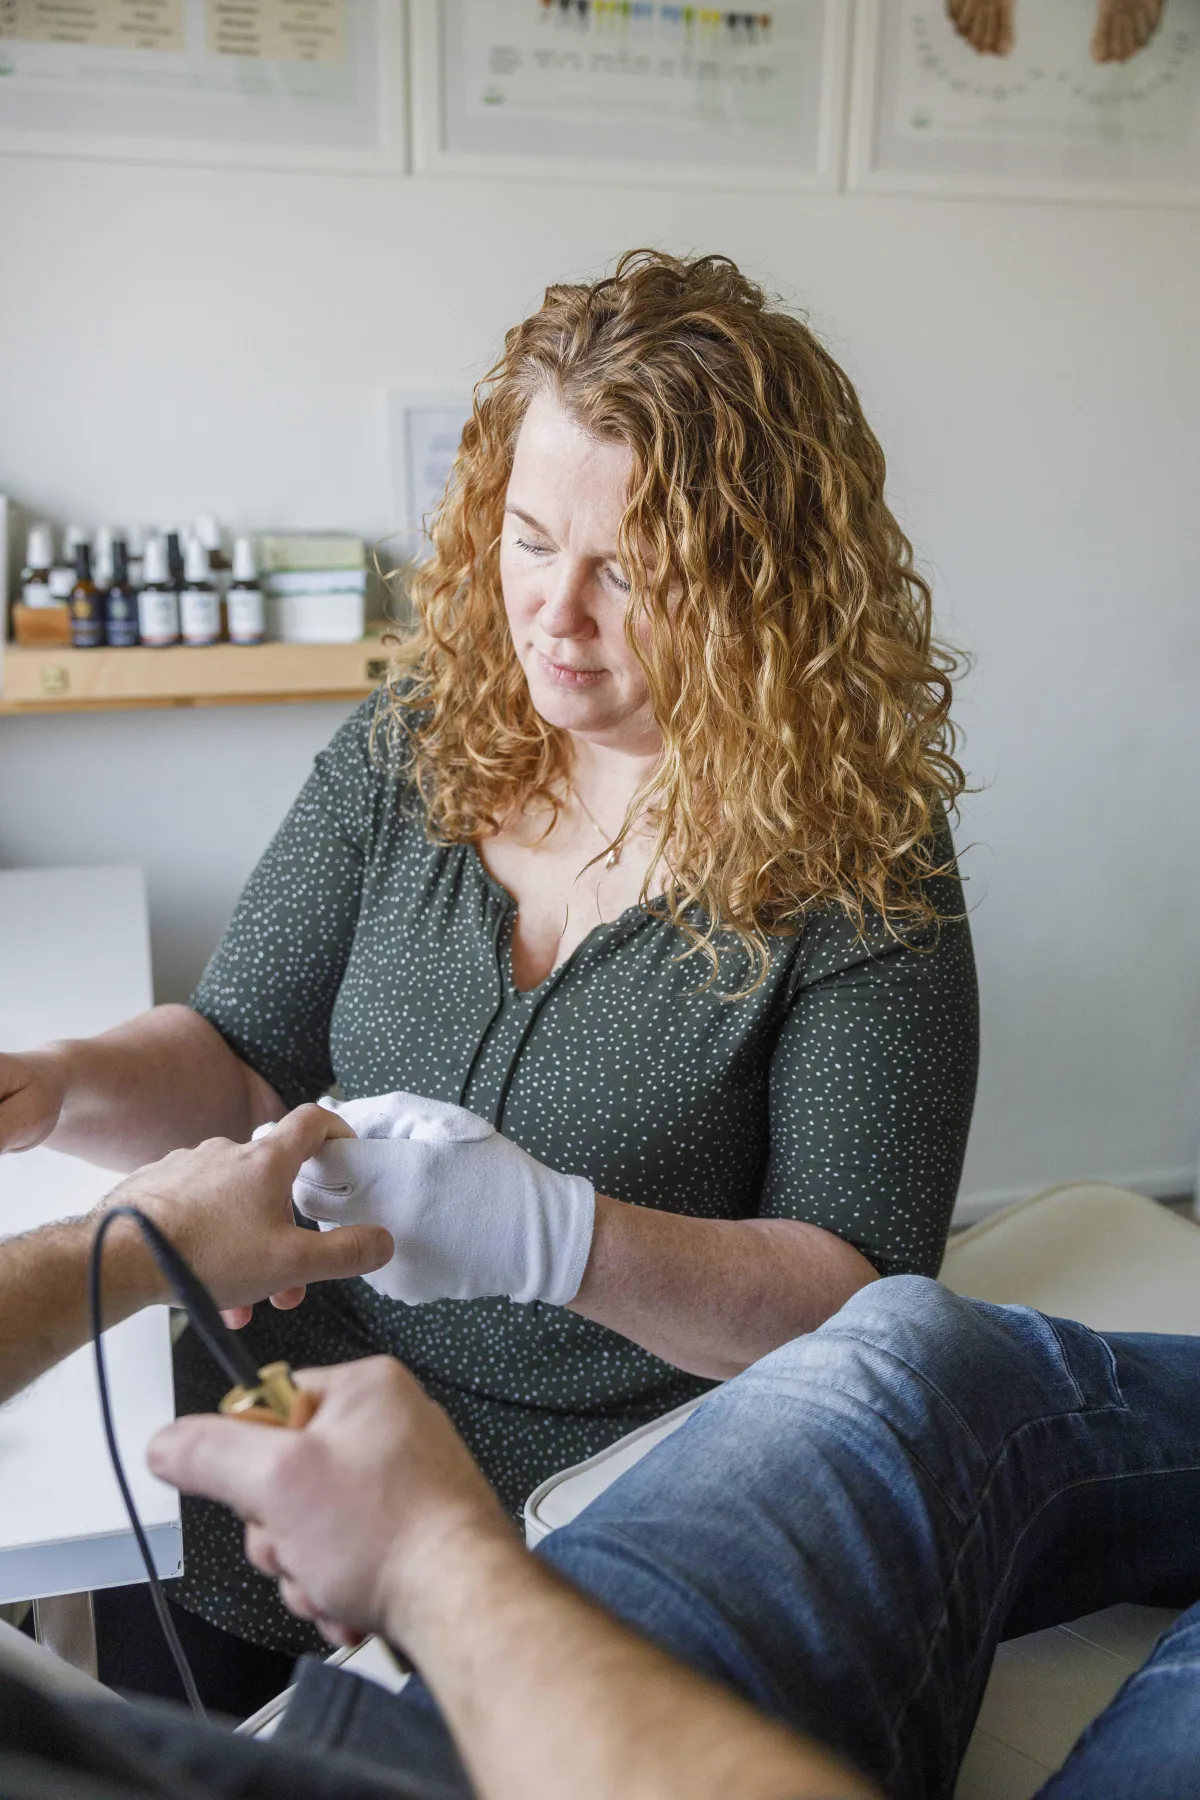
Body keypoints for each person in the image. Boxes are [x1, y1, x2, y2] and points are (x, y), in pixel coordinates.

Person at [0, 250, 978, 1701]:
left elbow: (858, 1302)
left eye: (629, 572)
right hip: (289, 1425)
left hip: (603, 1505)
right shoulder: (425, 736)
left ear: (763, 588)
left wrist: (558, 1239)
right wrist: (54, 1087)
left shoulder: (861, 859)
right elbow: (241, 1057)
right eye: (529, 540)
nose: (554, 614)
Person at [4, 1129, 1200, 1799]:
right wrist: (436, 1563)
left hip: (394, 1750)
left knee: (903, 1349)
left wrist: (112, 1250)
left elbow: (847, 1279)